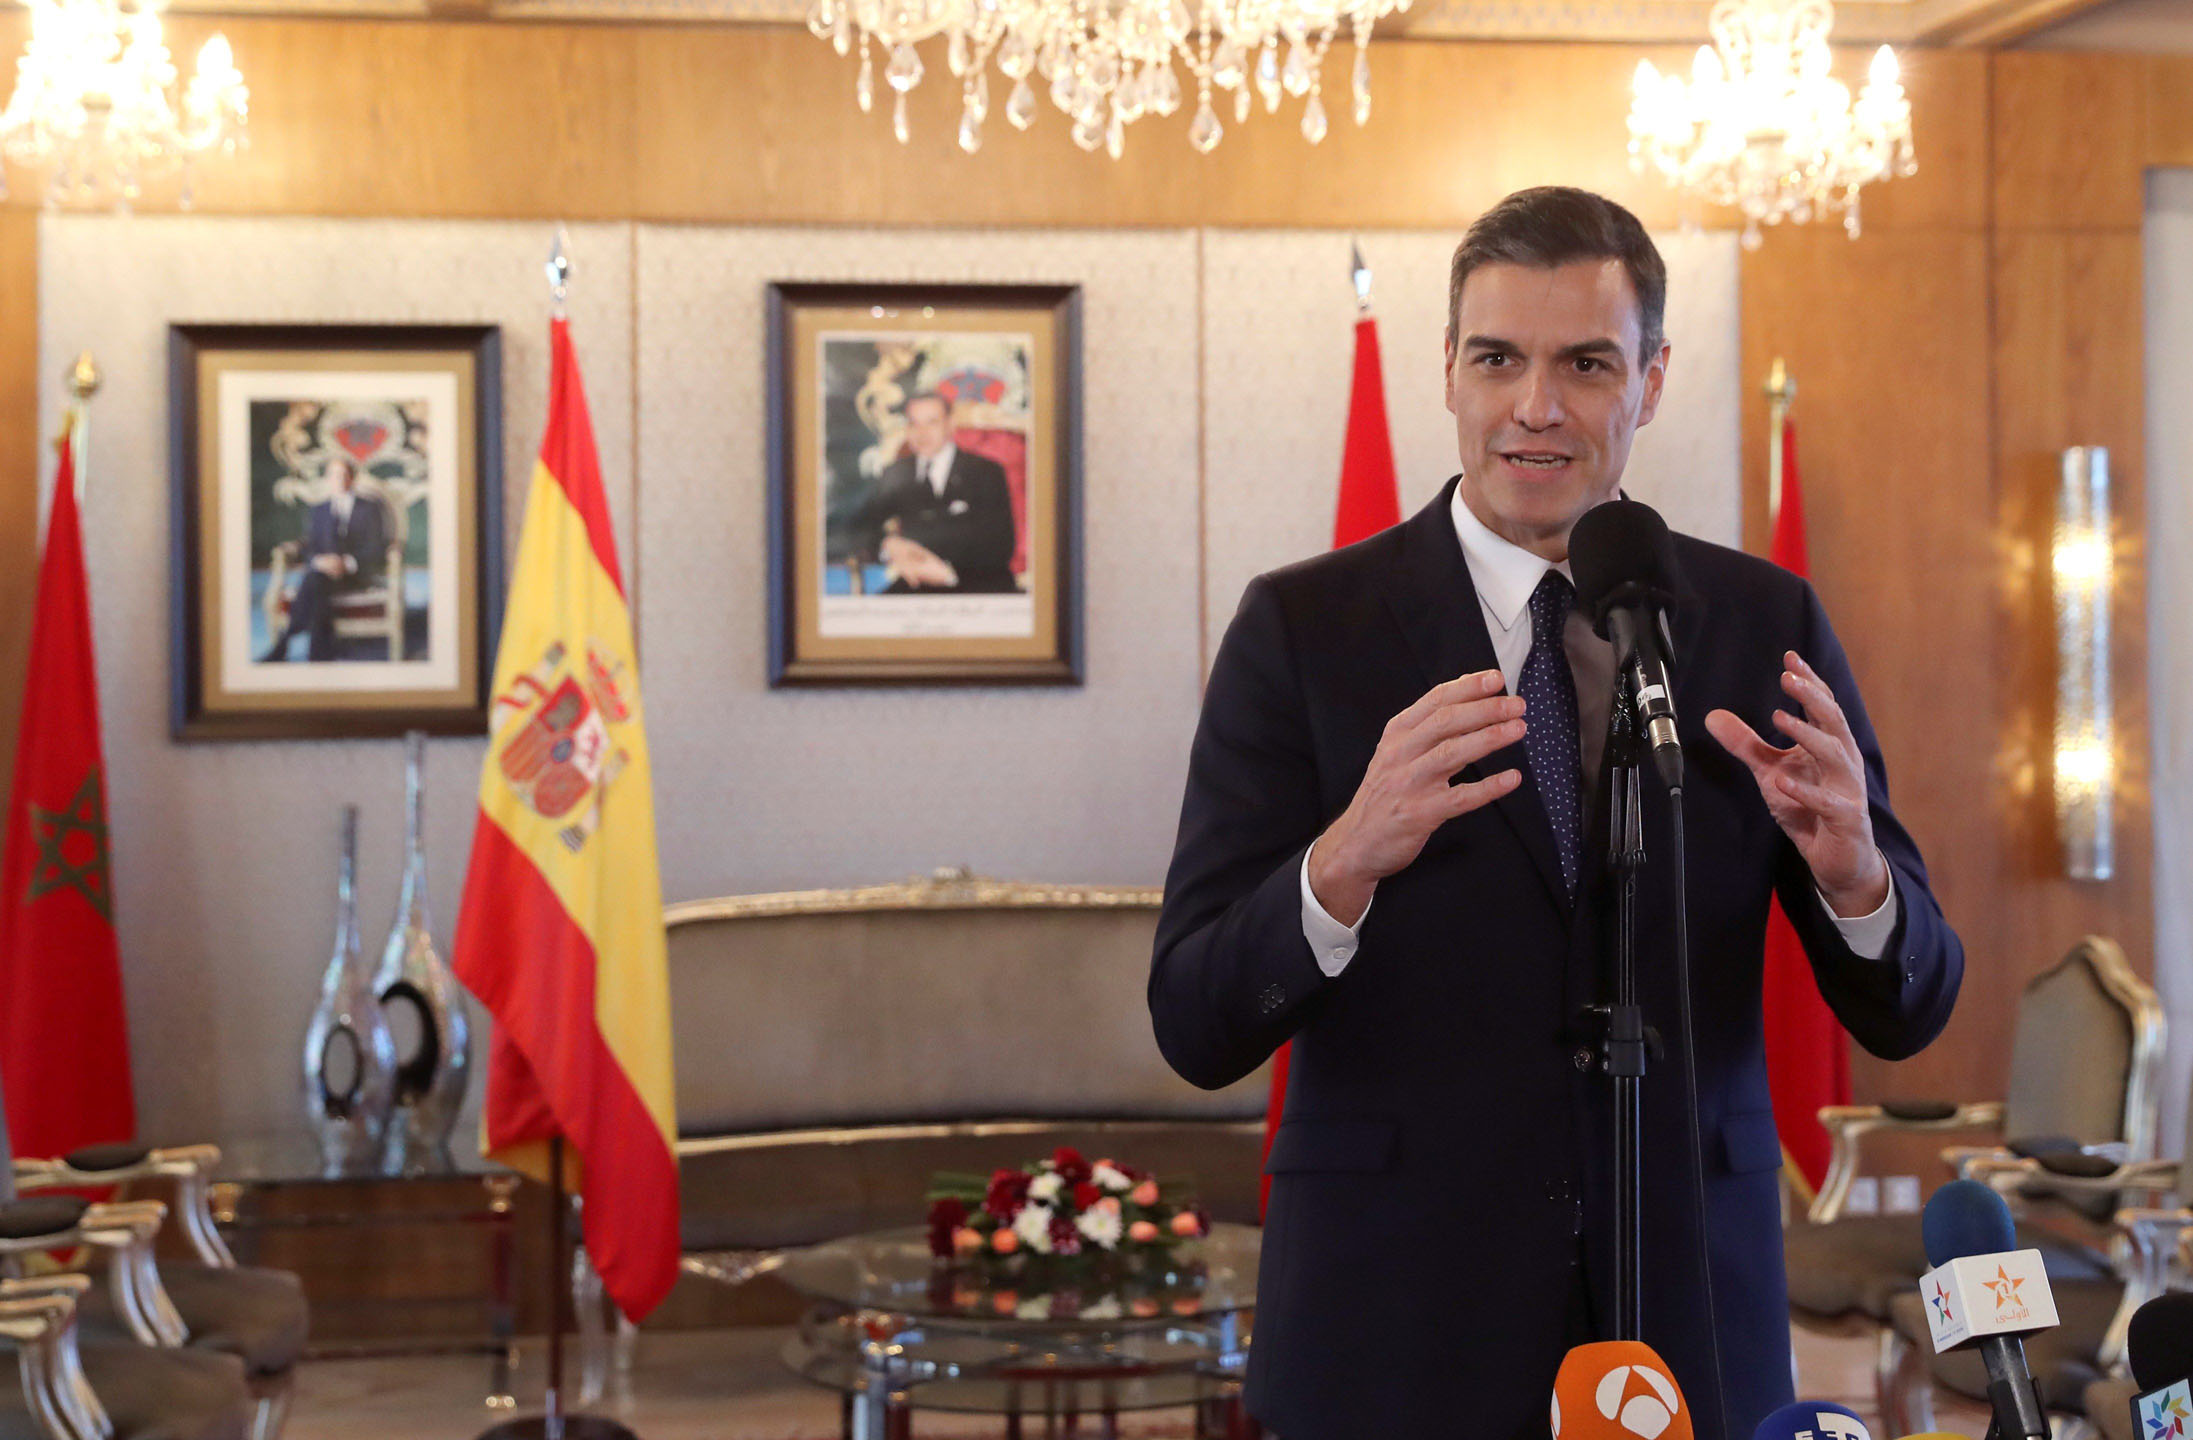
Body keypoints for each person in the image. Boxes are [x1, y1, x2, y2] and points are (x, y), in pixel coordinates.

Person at [1149, 187, 1962, 1440]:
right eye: (1498, 360)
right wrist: (1341, 867)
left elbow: (1910, 1006)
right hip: (1397, 1322)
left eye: (1585, 363)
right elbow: (1196, 1018)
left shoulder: (1762, 625)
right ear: (1450, 373)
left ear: (1649, 380)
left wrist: (1861, 882)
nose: (1536, 406)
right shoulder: (1303, 630)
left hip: (1690, 1312)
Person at [854, 391, 1019, 593]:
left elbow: (1001, 545)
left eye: (932, 423)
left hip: (978, 584)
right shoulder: (896, 473)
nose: (922, 433)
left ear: (950, 425)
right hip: (915, 584)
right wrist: (888, 545)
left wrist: (948, 574)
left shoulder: (986, 471)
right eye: (914, 424)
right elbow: (860, 529)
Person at [260, 454, 390, 662]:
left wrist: (347, 563)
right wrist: (319, 562)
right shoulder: (319, 509)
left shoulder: (370, 508)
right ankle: (318, 653)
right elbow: (310, 545)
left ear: (352, 478)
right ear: (327, 479)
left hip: (356, 576)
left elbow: (377, 547)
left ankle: (284, 644)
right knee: (317, 582)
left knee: (314, 581)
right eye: (333, 475)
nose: (338, 480)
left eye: (343, 475)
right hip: (323, 573)